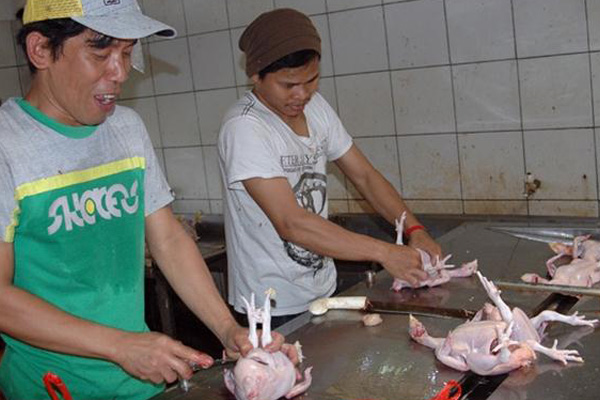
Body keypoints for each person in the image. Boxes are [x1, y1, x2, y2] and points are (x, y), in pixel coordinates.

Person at [0, 1, 294, 399]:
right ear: (41, 50)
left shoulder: (126, 129)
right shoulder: (8, 146)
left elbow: (168, 239)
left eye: (126, 52)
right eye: (100, 52)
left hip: (141, 386)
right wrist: (119, 345)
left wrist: (228, 329)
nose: (119, 73)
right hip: (53, 387)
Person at [218, 8, 443, 327]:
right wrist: (384, 252)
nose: (302, 94)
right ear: (256, 75)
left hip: (322, 291)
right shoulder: (245, 128)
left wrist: (414, 230)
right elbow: (291, 222)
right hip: (271, 306)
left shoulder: (316, 108)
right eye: (288, 85)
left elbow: (364, 176)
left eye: (312, 80)